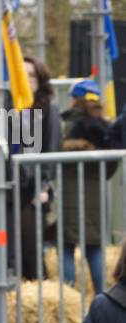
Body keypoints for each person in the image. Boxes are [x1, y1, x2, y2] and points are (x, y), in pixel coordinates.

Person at [61, 80, 116, 297]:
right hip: (95, 193)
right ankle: (104, 296)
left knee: (65, 246)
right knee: (94, 247)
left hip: (68, 192)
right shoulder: (104, 127)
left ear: (75, 99)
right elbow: (111, 165)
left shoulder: (68, 124)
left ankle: (68, 298)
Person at [15, 57, 61, 282]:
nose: (27, 79)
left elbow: (51, 149)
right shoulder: (9, 105)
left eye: (32, 75)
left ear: (40, 80)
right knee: (14, 247)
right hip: (11, 185)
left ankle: (39, 289)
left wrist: (43, 186)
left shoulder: (48, 109)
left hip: (34, 190)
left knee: (31, 246)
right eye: (23, 74)